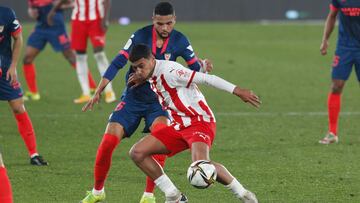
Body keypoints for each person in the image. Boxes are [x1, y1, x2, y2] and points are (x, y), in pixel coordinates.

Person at [80, 2, 213, 203]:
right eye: (160, 24)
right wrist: (99, 90)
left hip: (160, 102)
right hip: (133, 98)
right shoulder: (139, 36)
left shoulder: (180, 40)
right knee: (107, 142)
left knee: (159, 141)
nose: (165, 28)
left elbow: (194, 69)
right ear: (153, 20)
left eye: (169, 23)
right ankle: (97, 192)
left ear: (174, 20)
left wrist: (203, 67)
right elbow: (118, 62)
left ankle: (149, 195)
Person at [127, 44, 260, 203]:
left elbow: (206, 78)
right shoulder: (149, 73)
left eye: (141, 66)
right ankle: (173, 195)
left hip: (199, 121)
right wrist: (142, 76)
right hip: (179, 125)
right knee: (137, 153)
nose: (138, 71)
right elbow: (150, 77)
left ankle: (244, 195)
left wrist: (238, 91)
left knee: (202, 166)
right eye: (135, 68)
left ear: (151, 59)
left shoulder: (170, 71)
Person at [0, 6, 48, 166]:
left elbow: (18, 38)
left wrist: (13, 66)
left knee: (18, 107)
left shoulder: (6, 13)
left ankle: (34, 154)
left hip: (5, 70)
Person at [23, 0, 98, 101]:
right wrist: (31, 11)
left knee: (71, 57)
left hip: (56, 27)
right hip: (41, 27)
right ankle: (33, 93)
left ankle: (92, 87)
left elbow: (71, 3)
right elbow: (32, 8)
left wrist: (58, 7)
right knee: (27, 58)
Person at [49, 0, 116, 104]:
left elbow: (107, 1)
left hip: (97, 19)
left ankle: (109, 91)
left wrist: (105, 19)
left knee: (99, 54)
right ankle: (86, 93)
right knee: (80, 56)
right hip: (78, 21)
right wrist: (53, 11)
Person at [319, 0, 360, 144]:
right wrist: (325, 40)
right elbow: (332, 16)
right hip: (344, 48)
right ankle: (332, 133)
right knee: (336, 86)